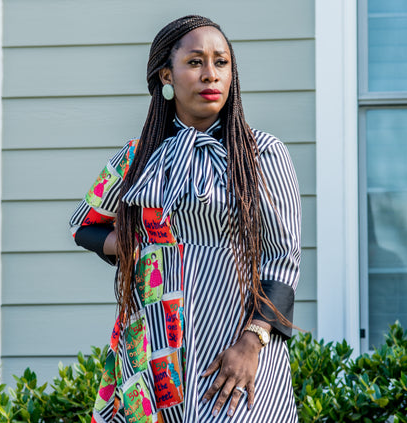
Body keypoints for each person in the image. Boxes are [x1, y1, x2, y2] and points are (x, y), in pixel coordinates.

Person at [69, 15, 301, 423]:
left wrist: (252, 342)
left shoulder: (261, 153)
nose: (211, 75)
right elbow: (84, 225)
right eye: (195, 62)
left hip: (236, 343)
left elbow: (283, 258)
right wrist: (133, 245)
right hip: (153, 344)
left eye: (221, 62)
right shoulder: (139, 156)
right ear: (167, 75)